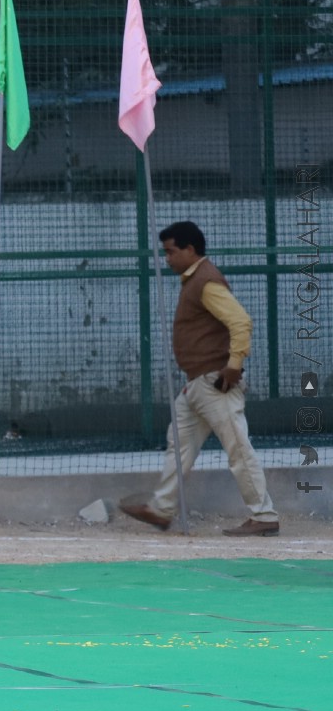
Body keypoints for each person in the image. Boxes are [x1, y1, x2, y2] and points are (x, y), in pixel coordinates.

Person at [120, 221, 278, 536]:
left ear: (190, 250)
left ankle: (264, 516)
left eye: (171, 251)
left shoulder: (206, 281)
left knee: (238, 448)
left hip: (215, 383)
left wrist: (233, 366)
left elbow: (241, 321)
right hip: (198, 384)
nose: (167, 258)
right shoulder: (195, 281)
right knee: (178, 445)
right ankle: (162, 510)